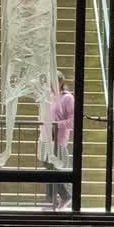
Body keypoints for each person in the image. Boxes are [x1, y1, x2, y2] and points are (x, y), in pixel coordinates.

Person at [45, 71, 75, 211]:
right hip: (46, 138)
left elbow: (73, 121)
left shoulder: (67, 98)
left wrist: (57, 125)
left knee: (55, 168)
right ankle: (52, 201)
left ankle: (65, 196)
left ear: (61, 82)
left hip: (59, 139)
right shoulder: (49, 97)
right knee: (47, 167)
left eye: (54, 81)